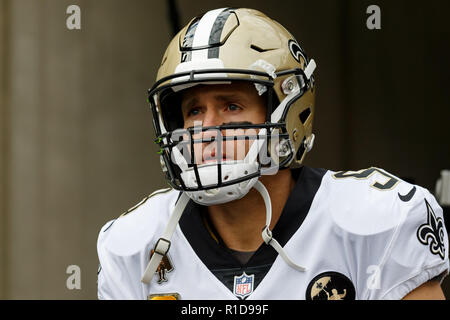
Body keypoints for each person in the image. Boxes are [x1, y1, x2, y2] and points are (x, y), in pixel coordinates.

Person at [97, 7, 449, 300]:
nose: (207, 129)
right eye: (193, 111)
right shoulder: (134, 244)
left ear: (288, 109)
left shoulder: (373, 221)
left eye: (231, 106)